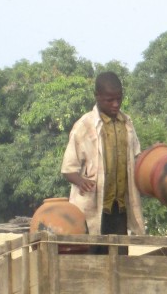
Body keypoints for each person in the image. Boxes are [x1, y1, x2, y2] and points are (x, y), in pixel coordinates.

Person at [61, 72, 145, 246]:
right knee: (93, 256)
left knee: (119, 256)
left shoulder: (127, 123)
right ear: (97, 96)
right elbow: (68, 169)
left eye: (119, 99)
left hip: (119, 208)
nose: (115, 105)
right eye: (109, 100)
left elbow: (138, 157)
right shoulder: (84, 126)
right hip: (92, 206)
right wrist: (80, 181)